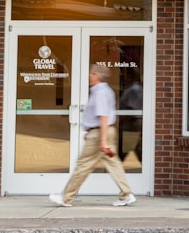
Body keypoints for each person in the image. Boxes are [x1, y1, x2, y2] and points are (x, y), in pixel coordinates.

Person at [49, 64, 136, 207]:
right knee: (113, 163)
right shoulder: (106, 90)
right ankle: (127, 194)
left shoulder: (99, 92)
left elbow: (103, 116)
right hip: (104, 131)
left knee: (83, 165)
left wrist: (101, 140)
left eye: (91, 73)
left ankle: (66, 197)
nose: (89, 75)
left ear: (96, 75)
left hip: (100, 132)